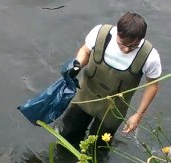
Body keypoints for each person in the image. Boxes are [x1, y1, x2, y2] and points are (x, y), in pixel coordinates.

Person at [58, 12, 162, 145]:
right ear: (117, 32)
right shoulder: (100, 34)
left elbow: (152, 85)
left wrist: (138, 115)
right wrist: (77, 65)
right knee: (67, 136)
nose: (126, 50)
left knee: (98, 147)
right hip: (85, 97)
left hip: (113, 111)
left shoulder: (150, 56)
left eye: (132, 46)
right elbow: (85, 51)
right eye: (122, 44)